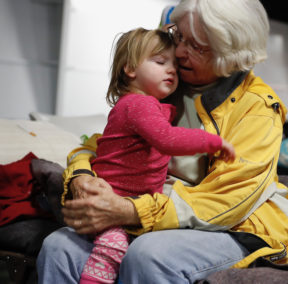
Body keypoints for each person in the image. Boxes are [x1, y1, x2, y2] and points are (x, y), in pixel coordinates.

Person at [37, 1, 288, 283]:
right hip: (152, 207)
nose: (180, 51)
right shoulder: (164, 83)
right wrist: (80, 175)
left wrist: (132, 211)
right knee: (59, 247)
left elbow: (228, 201)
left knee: (150, 256)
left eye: (196, 46)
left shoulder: (257, 107)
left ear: (230, 54)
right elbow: (102, 144)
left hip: (233, 223)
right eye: (179, 36)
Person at [75, 28, 235, 284]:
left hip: (126, 199)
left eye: (174, 64)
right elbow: (168, 139)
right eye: (160, 62)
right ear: (129, 69)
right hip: (113, 200)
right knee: (111, 251)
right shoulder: (140, 104)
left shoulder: (141, 104)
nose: (171, 70)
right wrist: (211, 142)